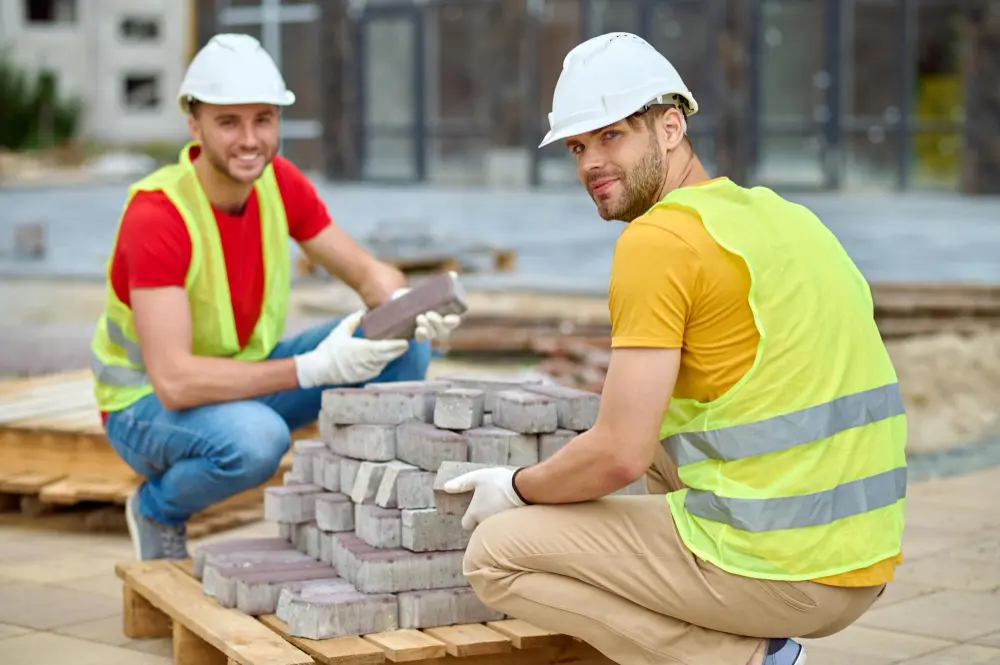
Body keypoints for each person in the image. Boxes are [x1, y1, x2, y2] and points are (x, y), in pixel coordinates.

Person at [443, 32, 906, 665]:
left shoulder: (657, 242)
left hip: (786, 568)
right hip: (866, 556)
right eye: (578, 146)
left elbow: (617, 455)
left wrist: (517, 489)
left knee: (496, 555)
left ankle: (755, 658)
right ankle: (729, 617)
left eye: (612, 136)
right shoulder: (786, 218)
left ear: (669, 127)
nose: (590, 163)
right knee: (662, 429)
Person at [90, 34, 461, 562]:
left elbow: (367, 274)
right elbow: (175, 382)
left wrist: (410, 305)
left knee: (403, 344)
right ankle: (158, 508)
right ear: (194, 125)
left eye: (263, 120)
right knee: (256, 441)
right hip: (145, 407)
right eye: (228, 122)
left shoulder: (277, 183)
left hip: (243, 378)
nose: (249, 140)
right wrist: (311, 369)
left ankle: (361, 509)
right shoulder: (158, 216)